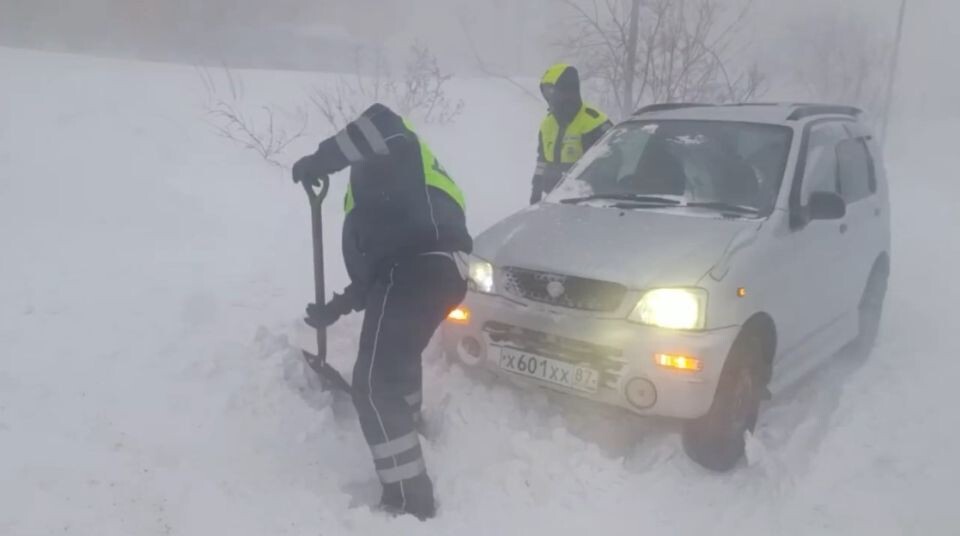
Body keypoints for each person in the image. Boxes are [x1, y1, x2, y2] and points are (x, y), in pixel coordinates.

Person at [291, 103, 471, 520]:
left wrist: (319, 160)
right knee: (397, 360)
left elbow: (381, 122)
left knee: (373, 385)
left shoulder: (394, 139)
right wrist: (332, 310)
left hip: (419, 265)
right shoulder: (386, 196)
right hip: (432, 268)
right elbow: (373, 282)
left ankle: (409, 501)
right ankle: (409, 426)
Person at [530, 63, 613, 204]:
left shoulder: (594, 122)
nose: (548, 96)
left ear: (567, 90)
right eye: (545, 91)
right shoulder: (547, 124)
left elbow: (610, 165)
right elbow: (541, 161)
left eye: (551, 90)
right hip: (552, 198)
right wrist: (536, 191)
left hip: (587, 201)